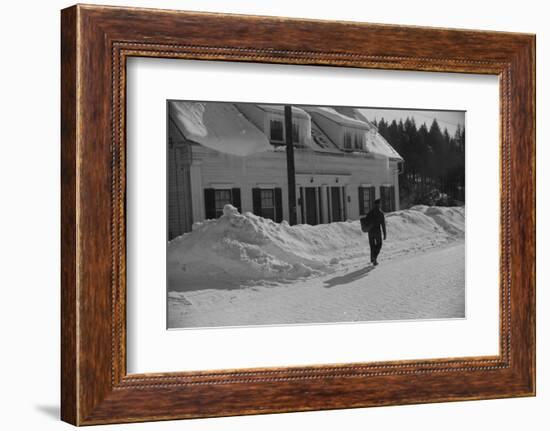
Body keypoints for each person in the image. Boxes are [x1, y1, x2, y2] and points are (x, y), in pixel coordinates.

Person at [363, 199, 387, 266]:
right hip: (377, 231)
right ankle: (374, 257)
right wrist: (385, 234)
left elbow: (366, 221)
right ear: (378, 204)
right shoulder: (380, 213)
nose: (380, 205)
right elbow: (383, 224)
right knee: (379, 244)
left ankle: (373, 260)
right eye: (380, 204)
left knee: (372, 246)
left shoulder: (370, 212)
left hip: (370, 232)